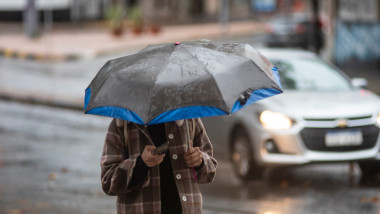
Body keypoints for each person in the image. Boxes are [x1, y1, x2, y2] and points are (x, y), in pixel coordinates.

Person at [100, 118, 217, 214]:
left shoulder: (189, 119)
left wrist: (200, 161)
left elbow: (210, 172)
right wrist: (140, 163)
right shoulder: (122, 125)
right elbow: (108, 182)